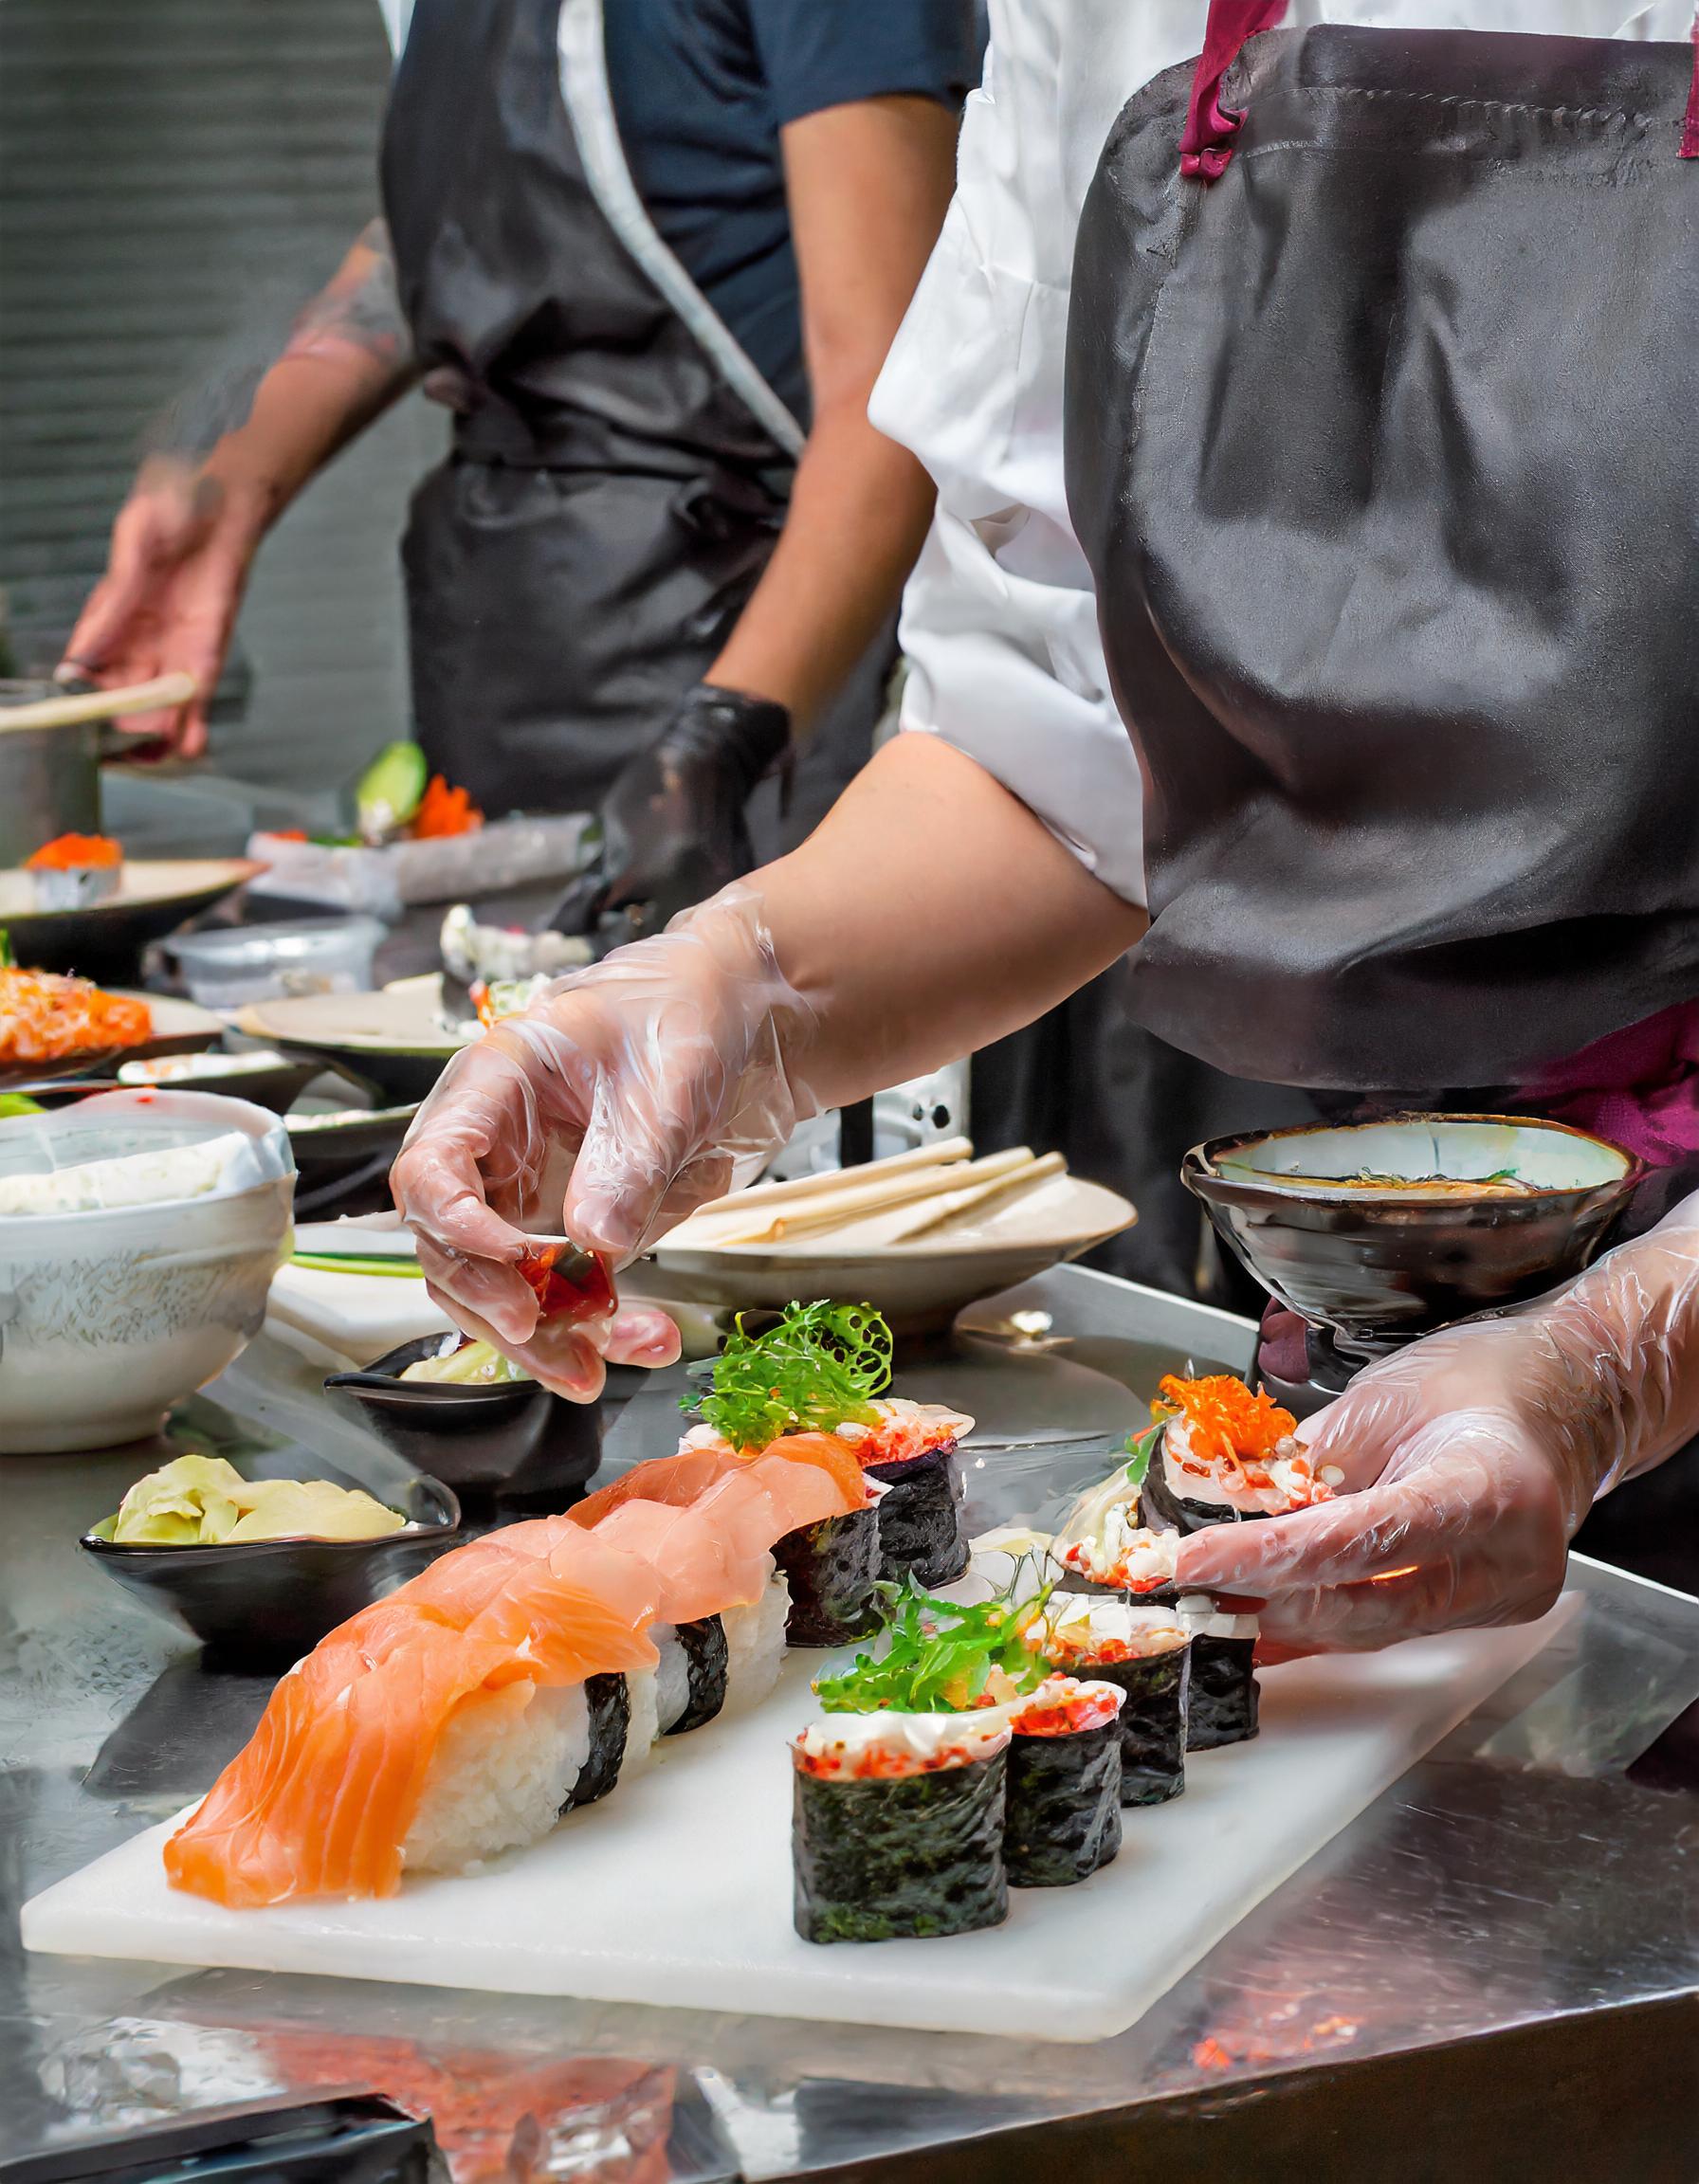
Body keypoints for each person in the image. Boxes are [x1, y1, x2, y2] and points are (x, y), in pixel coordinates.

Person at [393, 0, 1699, 1647]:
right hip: (1402, 1319)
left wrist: (1619, 1360)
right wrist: (734, 987)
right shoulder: (1106, 20)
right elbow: (1057, 757)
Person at [59, 0, 977, 937]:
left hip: (772, 687)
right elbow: (468, 237)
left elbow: (893, 402)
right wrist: (227, 487)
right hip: (497, 655)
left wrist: (720, 742)